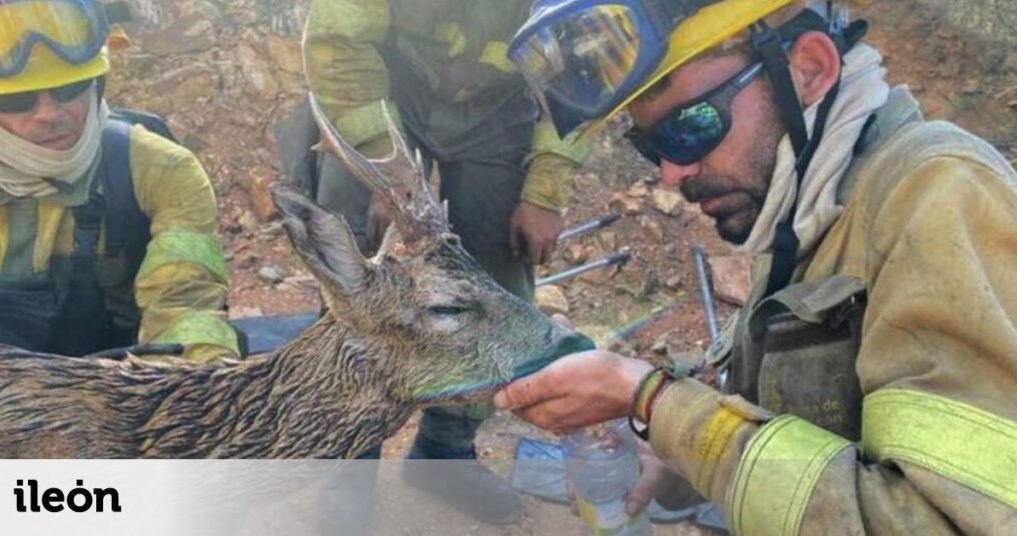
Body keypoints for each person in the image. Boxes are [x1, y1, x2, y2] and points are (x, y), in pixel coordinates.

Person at [497, 0, 1017, 533]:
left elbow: (943, 520)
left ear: (809, 70)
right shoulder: (811, 215)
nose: (673, 173)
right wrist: (681, 456)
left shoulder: (940, 197)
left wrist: (654, 400)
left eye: (691, 127)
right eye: (651, 146)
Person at [301, 0, 590, 524]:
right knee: (355, 278)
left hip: (503, 106)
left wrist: (546, 189)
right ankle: (348, 460)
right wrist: (378, 159)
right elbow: (338, 41)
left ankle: (445, 453)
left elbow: (583, 60)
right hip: (385, 88)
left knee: (493, 283)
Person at [0, 0, 240, 363]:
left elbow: (186, 304)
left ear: (98, 83)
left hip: (122, 394)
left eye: (69, 89)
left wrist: (202, 389)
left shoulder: (164, 170)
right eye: (17, 100)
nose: (49, 114)